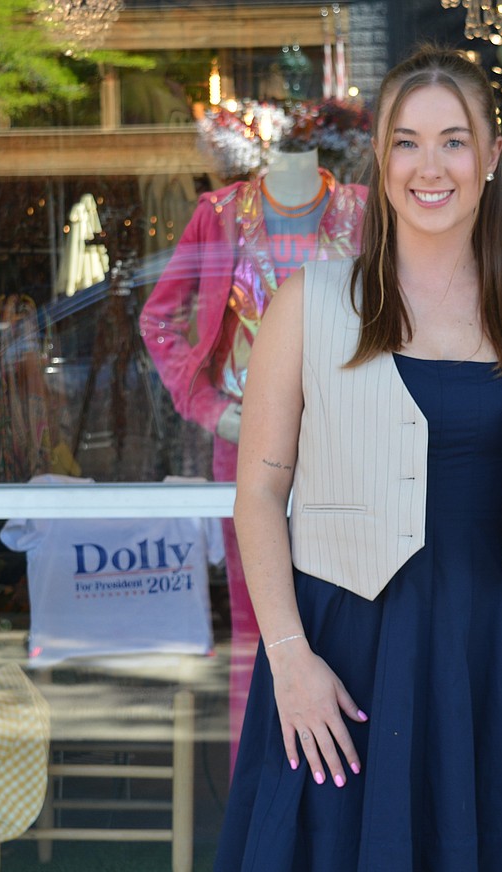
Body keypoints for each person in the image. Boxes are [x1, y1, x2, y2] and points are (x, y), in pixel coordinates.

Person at [213, 46, 502, 872]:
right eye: (406, 141)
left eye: (454, 140)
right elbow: (259, 495)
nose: (430, 165)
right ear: (380, 158)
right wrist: (290, 658)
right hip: (345, 649)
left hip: (490, 648)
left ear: (492, 157)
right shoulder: (310, 302)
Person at [139, 143, 366, 773]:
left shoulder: (364, 213)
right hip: (243, 443)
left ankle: (345, 778)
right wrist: (209, 407)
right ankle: (256, 779)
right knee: (256, 626)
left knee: (352, 608)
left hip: (346, 442)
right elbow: (160, 317)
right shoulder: (218, 215)